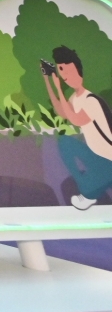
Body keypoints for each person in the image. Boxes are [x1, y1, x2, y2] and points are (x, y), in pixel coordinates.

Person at [46, 47, 112, 209]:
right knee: (65, 142)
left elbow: (75, 120)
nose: (65, 75)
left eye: (67, 69)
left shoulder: (91, 100)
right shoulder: (76, 97)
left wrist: (59, 88)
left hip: (108, 159)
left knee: (92, 185)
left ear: (77, 68)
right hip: (96, 155)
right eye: (61, 70)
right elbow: (62, 112)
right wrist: (48, 81)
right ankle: (88, 186)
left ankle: (89, 191)